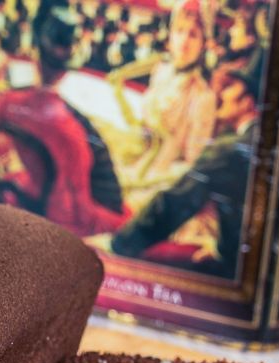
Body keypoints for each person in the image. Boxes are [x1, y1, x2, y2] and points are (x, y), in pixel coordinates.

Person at [0, 0, 128, 236]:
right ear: (65, 70)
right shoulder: (70, 129)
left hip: (35, 195)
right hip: (60, 216)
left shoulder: (9, 102)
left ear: (36, 54)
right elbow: (74, 211)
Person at [109, 67, 258, 278]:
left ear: (248, 102)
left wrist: (119, 244)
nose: (221, 95)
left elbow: (176, 201)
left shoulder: (232, 148)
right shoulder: (250, 140)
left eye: (230, 88)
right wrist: (223, 249)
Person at [133, 0, 216, 181]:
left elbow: (192, 163)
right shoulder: (160, 72)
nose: (184, 41)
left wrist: (158, 178)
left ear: (203, 45)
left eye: (193, 35)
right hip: (137, 162)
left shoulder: (203, 97)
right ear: (170, 35)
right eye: (179, 31)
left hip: (161, 180)